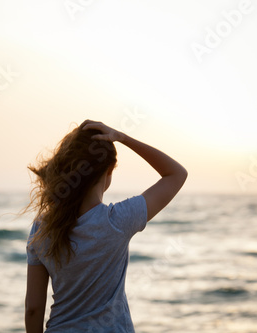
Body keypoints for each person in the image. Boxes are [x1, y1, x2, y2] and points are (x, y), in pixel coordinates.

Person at [24, 120, 187, 332]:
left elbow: (33, 309)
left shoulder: (42, 228)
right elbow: (176, 174)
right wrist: (124, 138)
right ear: (109, 169)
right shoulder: (118, 220)